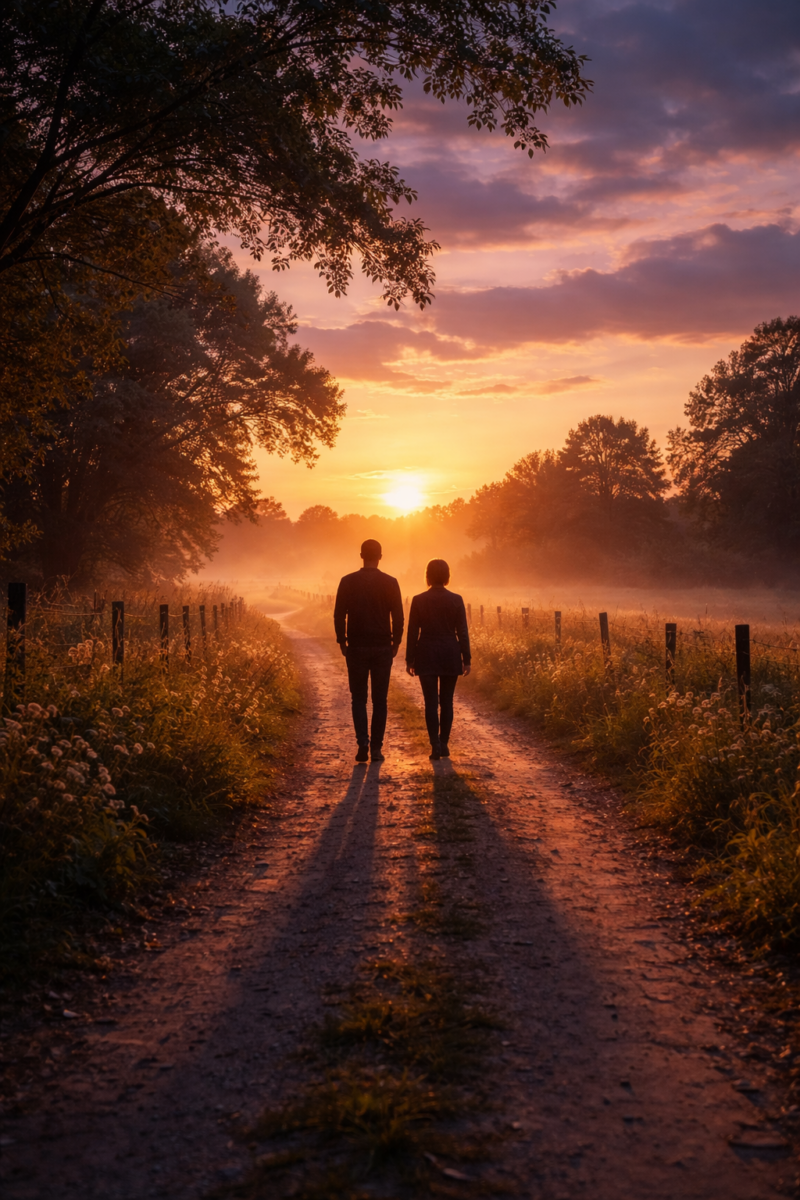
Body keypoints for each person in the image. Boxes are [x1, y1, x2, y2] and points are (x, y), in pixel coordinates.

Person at [334, 539, 404, 763]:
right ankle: (376, 748)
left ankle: (362, 744)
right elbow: (399, 617)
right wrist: (396, 643)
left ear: (361, 555)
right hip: (383, 646)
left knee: (358, 698)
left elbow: (338, 615)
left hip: (356, 646)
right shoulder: (390, 582)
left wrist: (342, 641)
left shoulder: (347, 581)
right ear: (380, 556)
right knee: (380, 700)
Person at [405, 558, 471, 760]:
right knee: (447, 701)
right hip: (450, 652)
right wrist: (466, 658)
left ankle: (434, 743)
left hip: (426, 652)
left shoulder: (418, 600)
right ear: (447, 576)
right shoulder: (456, 599)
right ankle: (444, 743)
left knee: (431, 702)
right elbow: (462, 631)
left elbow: (413, 632)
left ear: (428, 576)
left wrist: (410, 659)